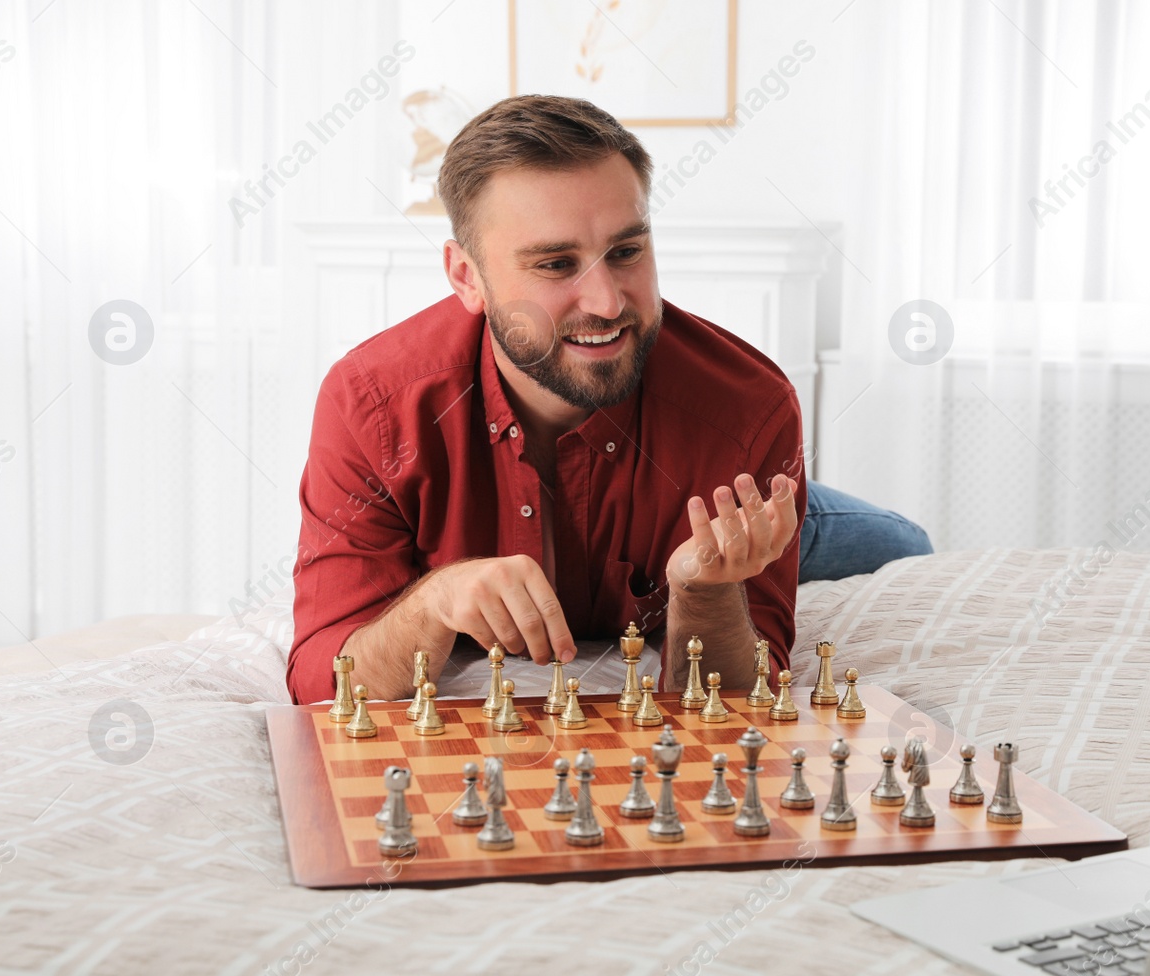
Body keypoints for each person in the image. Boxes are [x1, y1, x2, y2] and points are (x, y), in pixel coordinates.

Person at [285, 95, 930, 705]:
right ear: (466, 276)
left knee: (904, 546)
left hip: (756, 513)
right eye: (555, 265)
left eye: (626, 251)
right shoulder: (369, 406)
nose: (608, 302)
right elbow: (319, 677)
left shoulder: (747, 410)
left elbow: (743, 695)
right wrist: (430, 603)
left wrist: (703, 591)